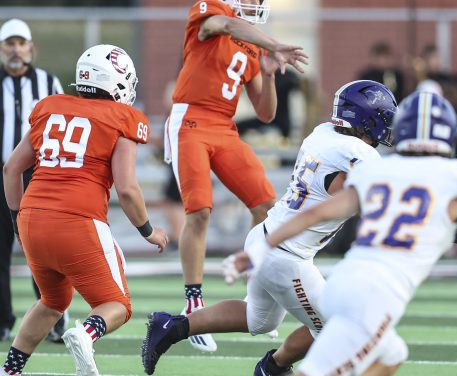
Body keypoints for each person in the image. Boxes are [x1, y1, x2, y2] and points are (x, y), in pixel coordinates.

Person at [230, 91, 457, 376]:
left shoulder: (379, 170)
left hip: (346, 279)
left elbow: (318, 211)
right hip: (374, 298)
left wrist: (261, 246)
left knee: (392, 353)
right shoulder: (456, 177)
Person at [140, 80, 398, 376]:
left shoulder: (323, 134)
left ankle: (170, 327)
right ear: (367, 119)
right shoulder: (356, 153)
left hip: (264, 238)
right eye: (383, 117)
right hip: (286, 257)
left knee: (259, 320)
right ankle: (274, 367)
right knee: (336, 327)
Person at [1, 44, 168, 376]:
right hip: (78, 219)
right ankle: (86, 333)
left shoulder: (50, 106)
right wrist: (149, 230)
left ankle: (10, 369)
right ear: (116, 81)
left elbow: (11, 169)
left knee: (51, 301)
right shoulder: (124, 117)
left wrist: (18, 219)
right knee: (117, 306)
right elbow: (127, 188)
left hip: (33, 216)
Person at [162, 0, 308, 352]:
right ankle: (193, 302)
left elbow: (265, 112)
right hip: (191, 120)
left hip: (223, 128)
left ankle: (257, 296)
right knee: (198, 212)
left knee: (266, 207)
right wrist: (273, 43)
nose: (255, 4)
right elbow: (226, 26)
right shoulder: (210, 15)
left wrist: (270, 71)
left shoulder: (253, 44)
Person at [0, 18, 68, 344]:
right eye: (9, 44)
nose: (15, 50)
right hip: (0, 176)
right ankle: (2, 321)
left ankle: (53, 317)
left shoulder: (49, 82)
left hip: (37, 177)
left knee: (41, 253)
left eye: (20, 43)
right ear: (1, 49)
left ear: (31, 48)